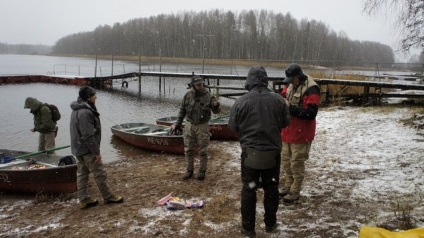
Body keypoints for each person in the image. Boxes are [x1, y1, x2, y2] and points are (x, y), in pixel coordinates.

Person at [228, 66, 290, 237]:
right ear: (265, 80)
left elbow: (233, 126)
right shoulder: (278, 100)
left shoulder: (241, 101)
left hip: (250, 155)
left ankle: (248, 229)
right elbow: (286, 123)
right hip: (272, 155)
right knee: (271, 188)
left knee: (249, 190)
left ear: (250, 81)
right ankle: (270, 224)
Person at [70, 86, 124, 209]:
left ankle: (84, 199)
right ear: (88, 97)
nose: (96, 97)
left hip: (78, 149)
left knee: (82, 174)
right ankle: (108, 196)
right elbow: (88, 135)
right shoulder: (85, 112)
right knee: (99, 173)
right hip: (87, 149)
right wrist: (96, 152)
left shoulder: (76, 109)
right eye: (93, 95)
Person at [279, 63, 320, 204]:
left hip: (302, 134)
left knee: (296, 163)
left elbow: (311, 113)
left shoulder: (312, 89)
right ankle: (288, 185)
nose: (289, 83)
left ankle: (295, 191)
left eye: (292, 80)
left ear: (298, 77)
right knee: (285, 161)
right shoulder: (290, 85)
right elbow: (283, 96)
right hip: (287, 131)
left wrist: (290, 108)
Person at [171, 76, 221, 181]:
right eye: (198, 84)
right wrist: (178, 124)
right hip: (189, 124)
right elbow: (182, 111)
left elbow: (216, 111)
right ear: (193, 85)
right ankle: (189, 171)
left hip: (202, 126)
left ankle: (202, 172)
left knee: (203, 150)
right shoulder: (188, 95)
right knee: (188, 149)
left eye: (201, 84)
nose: (200, 86)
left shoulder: (208, 96)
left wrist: (216, 106)